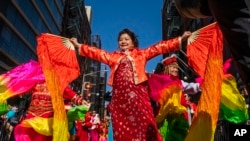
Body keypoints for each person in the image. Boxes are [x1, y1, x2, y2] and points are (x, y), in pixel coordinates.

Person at [70, 28, 191, 141]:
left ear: (133, 43)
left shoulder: (142, 54)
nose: (123, 41)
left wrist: (180, 39)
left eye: (126, 39)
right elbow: (96, 52)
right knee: (121, 128)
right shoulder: (113, 57)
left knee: (145, 123)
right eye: (121, 39)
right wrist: (78, 46)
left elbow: (160, 47)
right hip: (119, 100)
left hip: (138, 96)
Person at [0, 60, 90, 141]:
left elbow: (68, 92)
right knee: (26, 136)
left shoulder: (57, 82)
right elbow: (22, 84)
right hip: (32, 116)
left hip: (47, 118)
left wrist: (81, 101)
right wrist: (8, 83)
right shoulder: (36, 80)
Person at [148, 54, 200, 141]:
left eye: (176, 68)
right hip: (164, 118)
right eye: (173, 67)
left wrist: (203, 84)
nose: (176, 70)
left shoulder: (180, 82)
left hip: (177, 118)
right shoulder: (160, 80)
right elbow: (150, 82)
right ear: (166, 68)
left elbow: (192, 87)